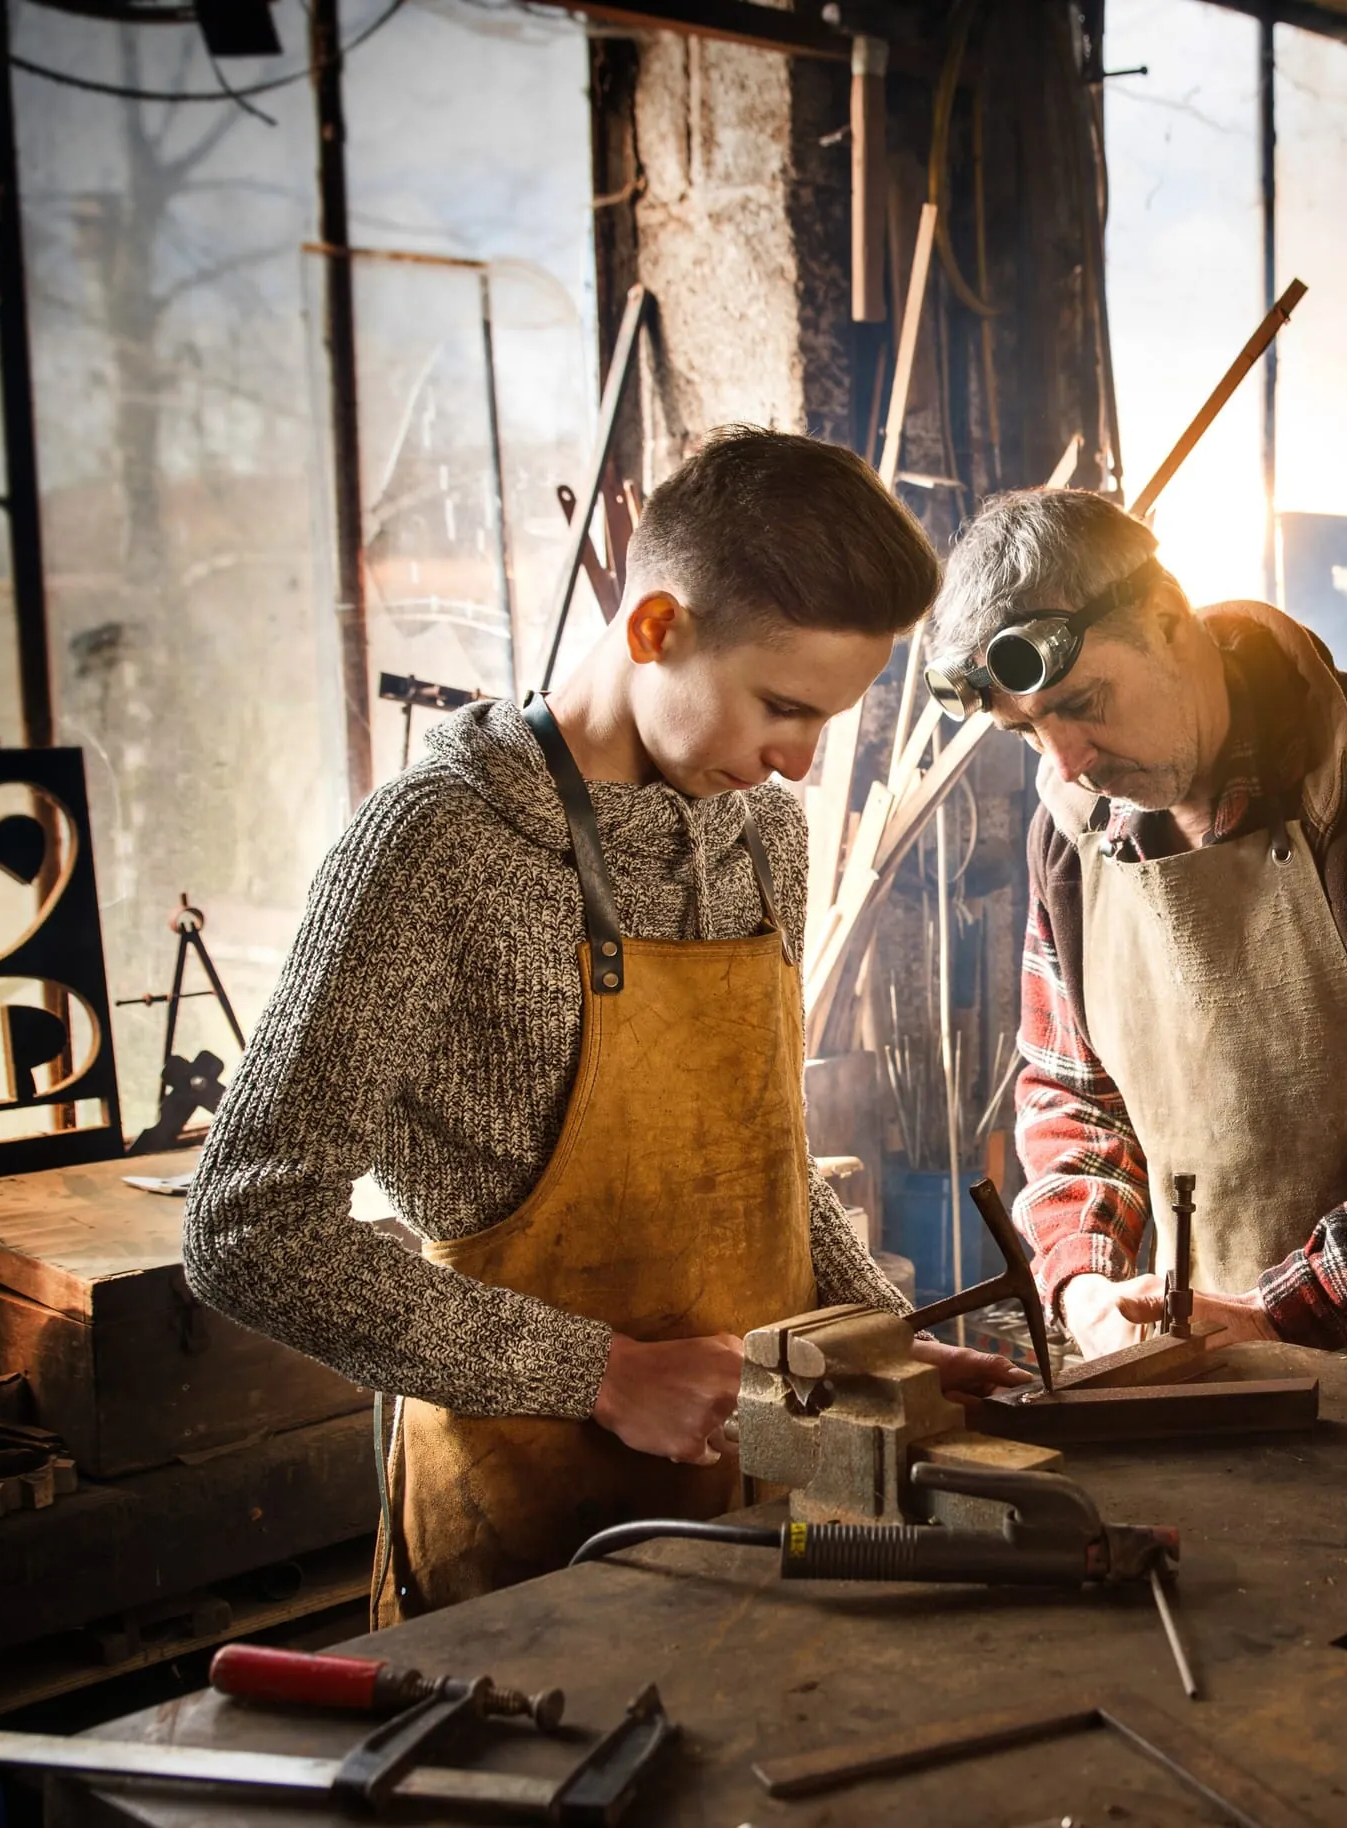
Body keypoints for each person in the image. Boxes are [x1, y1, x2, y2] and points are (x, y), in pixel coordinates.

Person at [184, 427, 1024, 1623]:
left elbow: (764, 1162)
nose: (798, 765)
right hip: (521, 1541)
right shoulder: (434, 847)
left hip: (760, 1505)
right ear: (655, 629)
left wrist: (872, 1350)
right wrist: (602, 1375)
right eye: (783, 707)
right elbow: (243, 1225)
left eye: (828, 722)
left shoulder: (758, 836)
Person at [923, 488, 1347, 1379]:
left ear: (1170, 620)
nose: (1066, 761)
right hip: (1227, 1378)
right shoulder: (1071, 833)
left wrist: (1280, 1310)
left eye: (1085, 701)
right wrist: (1082, 1285)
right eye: (1027, 732)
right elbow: (1072, 1097)